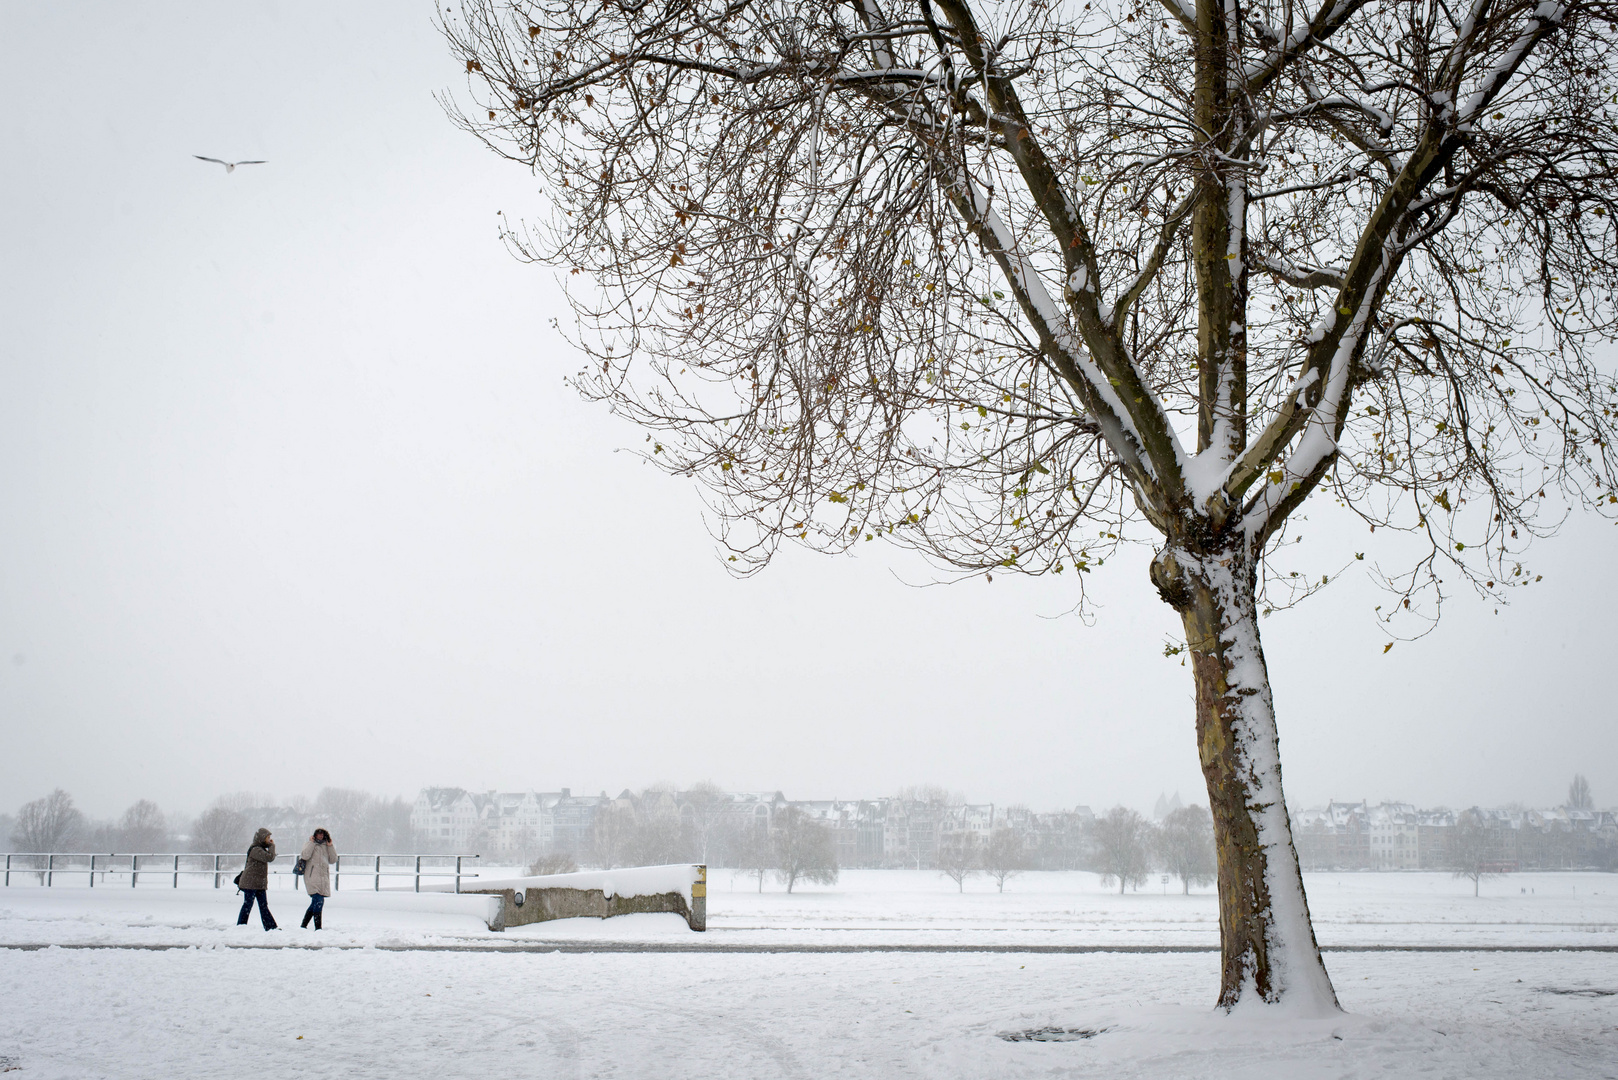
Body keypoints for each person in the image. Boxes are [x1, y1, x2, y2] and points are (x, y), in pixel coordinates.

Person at [237, 828, 278, 930]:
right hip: (250, 883)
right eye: (267, 838)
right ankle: (241, 926)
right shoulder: (256, 850)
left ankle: (270, 927)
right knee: (248, 905)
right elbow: (269, 858)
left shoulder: (260, 848)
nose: (269, 840)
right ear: (262, 838)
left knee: (263, 905)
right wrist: (272, 846)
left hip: (259, 883)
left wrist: (269, 846)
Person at [298, 828, 337, 930]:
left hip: (323, 879)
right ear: (315, 835)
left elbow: (333, 860)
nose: (320, 836)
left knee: (317, 902)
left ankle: (303, 925)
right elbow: (305, 855)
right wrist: (312, 843)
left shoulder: (326, 846)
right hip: (312, 878)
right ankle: (318, 927)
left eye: (322, 834)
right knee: (318, 901)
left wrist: (330, 846)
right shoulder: (309, 844)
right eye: (318, 834)